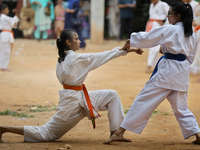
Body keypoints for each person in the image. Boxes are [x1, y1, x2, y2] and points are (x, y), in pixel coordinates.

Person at [0, 29, 143, 143]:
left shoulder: (61, 60)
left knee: (111, 95)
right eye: (76, 39)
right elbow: (99, 56)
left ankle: (115, 133)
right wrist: (124, 51)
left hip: (77, 97)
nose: (79, 41)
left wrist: (125, 51)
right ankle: (3, 128)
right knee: (47, 133)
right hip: (72, 103)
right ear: (68, 42)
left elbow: (97, 57)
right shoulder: (76, 59)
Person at [104, 2, 200, 145]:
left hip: (167, 72)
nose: (168, 17)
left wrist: (132, 41)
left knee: (144, 100)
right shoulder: (191, 33)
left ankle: (119, 132)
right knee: (181, 107)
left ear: (177, 16)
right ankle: (198, 135)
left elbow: (149, 37)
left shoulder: (170, 29)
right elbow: (190, 57)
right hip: (181, 71)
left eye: (170, 14)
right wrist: (169, 51)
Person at [145, 0, 169, 73]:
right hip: (151, 25)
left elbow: (170, 15)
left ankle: (149, 65)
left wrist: (165, 25)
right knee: (152, 45)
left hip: (159, 26)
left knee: (155, 46)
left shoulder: (163, 4)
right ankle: (155, 65)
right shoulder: (152, 5)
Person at [0, 4, 19, 71]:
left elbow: (13, 24)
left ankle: (3, 66)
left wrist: (15, 18)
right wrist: (16, 13)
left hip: (7, 34)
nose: (8, 10)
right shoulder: (4, 17)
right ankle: (3, 67)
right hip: (6, 34)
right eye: (7, 9)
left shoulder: (5, 18)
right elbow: (13, 21)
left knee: (4, 51)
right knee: (5, 51)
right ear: (2, 10)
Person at [190, 1, 200, 76]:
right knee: (196, 50)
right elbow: (196, 13)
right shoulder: (197, 5)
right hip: (198, 29)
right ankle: (195, 70)